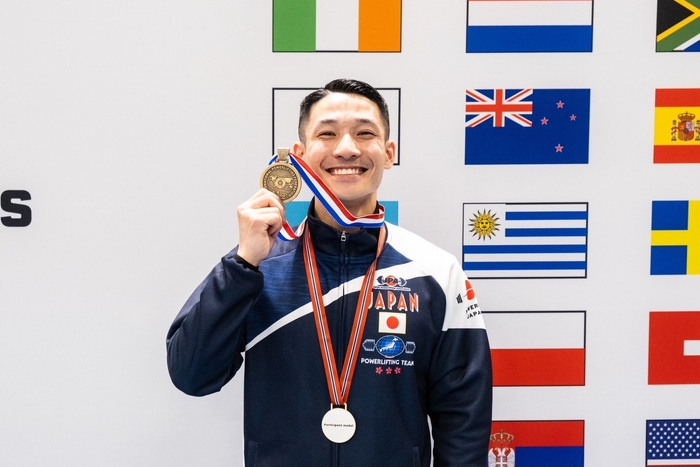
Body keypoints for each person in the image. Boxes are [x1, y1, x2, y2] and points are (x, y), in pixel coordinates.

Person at [166, 78, 492, 466]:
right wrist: (243, 263)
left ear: (389, 153)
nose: (346, 148)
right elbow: (192, 376)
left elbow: (464, 419)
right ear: (300, 156)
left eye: (365, 133)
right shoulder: (257, 265)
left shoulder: (436, 271)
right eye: (328, 133)